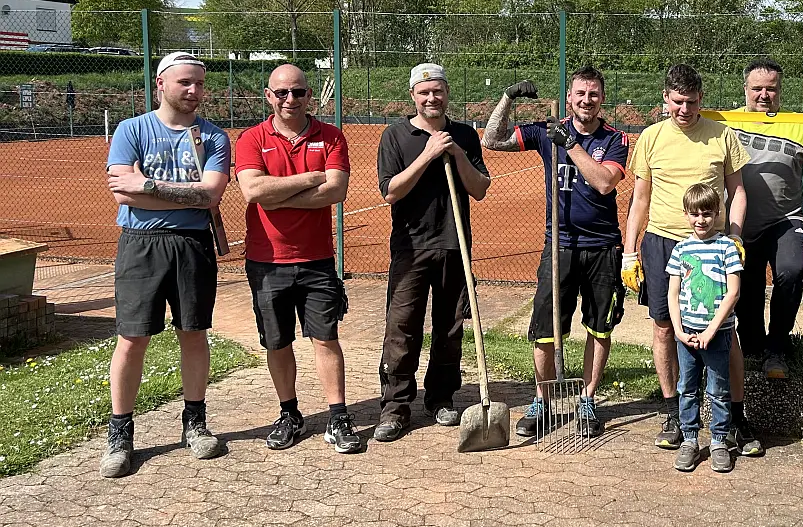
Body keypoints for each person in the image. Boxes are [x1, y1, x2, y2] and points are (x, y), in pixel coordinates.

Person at [101, 52, 231, 478]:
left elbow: (210, 196)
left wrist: (149, 185)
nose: (194, 91)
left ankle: (195, 422)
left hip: (192, 244)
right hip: (140, 244)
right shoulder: (131, 130)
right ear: (161, 84)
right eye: (184, 83)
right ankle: (120, 433)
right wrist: (182, 191)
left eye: (199, 83)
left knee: (193, 334)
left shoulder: (212, 137)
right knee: (132, 339)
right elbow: (122, 193)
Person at [482, 66, 629, 438]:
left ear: (602, 99)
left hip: (601, 247)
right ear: (569, 97)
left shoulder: (615, 139)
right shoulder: (547, 132)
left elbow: (604, 183)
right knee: (546, 330)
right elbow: (492, 140)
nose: (587, 100)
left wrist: (571, 144)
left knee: (600, 326)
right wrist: (508, 97)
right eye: (580, 93)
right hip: (559, 244)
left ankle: (587, 401)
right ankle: (542, 401)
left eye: (593, 94)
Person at [233, 64, 361, 454]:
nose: (291, 99)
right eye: (282, 92)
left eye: (299, 92)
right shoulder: (252, 138)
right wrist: (311, 177)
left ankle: (338, 416)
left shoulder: (331, 136)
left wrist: (279, 196)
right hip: (266, 259)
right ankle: (289, 413)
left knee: (326, 338)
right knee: (277, 342)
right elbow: (252, 191)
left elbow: (336, 190)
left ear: (310, 96)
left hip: (316, 259)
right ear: (269, 96)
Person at [623, 64, 750, 452]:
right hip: (663, 243)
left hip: (712, 246)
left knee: (725, 333)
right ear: (665, 98)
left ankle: (736, 418)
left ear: (701, 99)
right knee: (664, 328)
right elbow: (639, 198)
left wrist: (735, 236)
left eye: (692, 102)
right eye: (677, 102)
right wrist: (630, 252)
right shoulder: (651, 137)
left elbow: (738, 191)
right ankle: (674, 412)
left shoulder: (722, 135)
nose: (685, 109)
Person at [374, 63, 491, 442]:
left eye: (437, 91)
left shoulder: (464, 135)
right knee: (402, 328)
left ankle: (440, 397)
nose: (431, 98)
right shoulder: (395, 136)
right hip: (411, 247)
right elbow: (390, 191)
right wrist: (427, 155)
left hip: (454, 245)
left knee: (450, 328)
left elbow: (479, 188)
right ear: (413, 96)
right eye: (424, 93)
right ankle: (395, 407)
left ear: (447, 93)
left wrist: (455, 153)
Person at [724, 57, 803, 381]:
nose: (764, 95)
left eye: (771, 89)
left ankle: (777, 347)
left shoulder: (798, 124)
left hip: (784, 220)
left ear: (780, 90)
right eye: (757, 89)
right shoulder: (725, 121)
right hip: (740, 221)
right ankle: (753, 344)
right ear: (745, 89)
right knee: (746, 286)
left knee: (790, 273)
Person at [666, 183, 744, 474]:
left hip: (718, 334)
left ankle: (720, 442)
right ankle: (689, 439)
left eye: (707, 214)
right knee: (687, 388)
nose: (701, 220)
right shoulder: (680, 250)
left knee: (718, 389)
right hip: (686, 334)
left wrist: (711, 331)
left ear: (718, 214)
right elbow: (673, 294)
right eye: (695, 214)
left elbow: (733, 292)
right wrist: (678, 331)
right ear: (686, 214)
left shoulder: (726, 247)